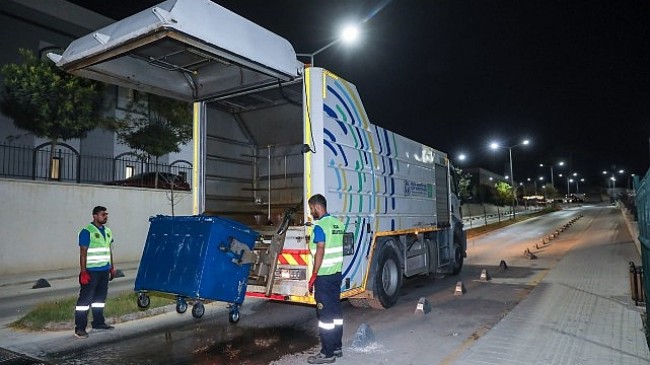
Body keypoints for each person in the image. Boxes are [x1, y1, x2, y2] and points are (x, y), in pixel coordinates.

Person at [307, 194, 345, 364]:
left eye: (311, 209)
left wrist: (314, 274)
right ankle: (337, 347)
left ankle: (327, 353)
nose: (311, 212)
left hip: (324, 277)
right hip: (336, 275)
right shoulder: (338, 224)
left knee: (325, 318)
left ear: (317, 207)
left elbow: (320, 250)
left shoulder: (320, 227)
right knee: (336, 313)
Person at [74, 205, 116, 339]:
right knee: (84, 301)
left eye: (106, 214)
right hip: (91, 272)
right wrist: (83, 272)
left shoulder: (108, 231)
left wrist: (112, 267)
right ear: (95, 216)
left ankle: (98, 322)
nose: (105, 216)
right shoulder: (87, 231)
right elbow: (83, 253)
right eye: (103, 214)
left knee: (99, 299)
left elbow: (109, 250)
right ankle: (80, 328)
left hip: (104, 270)